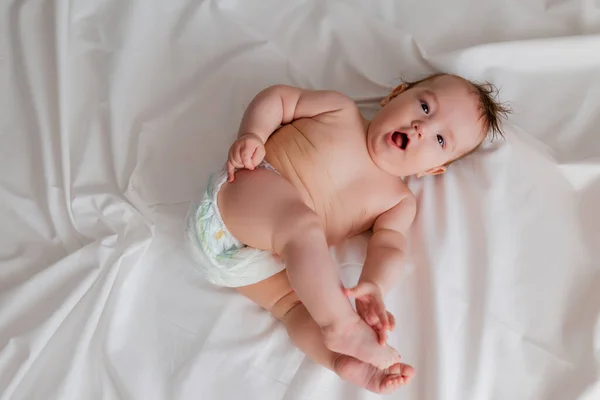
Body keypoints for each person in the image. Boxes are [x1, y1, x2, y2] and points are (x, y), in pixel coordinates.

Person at [185, 73, 510, 394]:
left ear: (433, 170)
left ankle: (344, 363)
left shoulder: (398, 201)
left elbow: (390, 246)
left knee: (294, 308)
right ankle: (341, 326)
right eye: (425, 106)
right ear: (395, 94)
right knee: (301, 224)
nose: (421, 128)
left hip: (248, 265)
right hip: (242, 194)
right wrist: (253, 134)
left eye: (441, 140)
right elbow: (280, 99)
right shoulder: (340, 111)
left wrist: (375, 285)